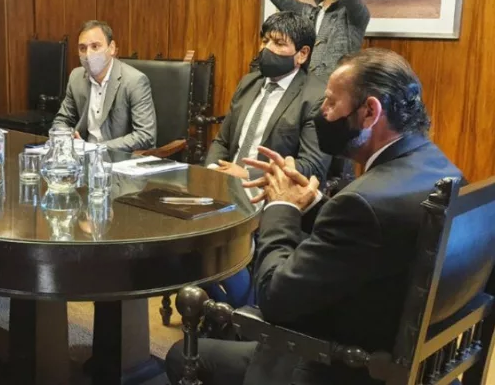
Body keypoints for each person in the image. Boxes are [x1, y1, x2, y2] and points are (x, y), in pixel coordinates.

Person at [166, 48, 462, 385]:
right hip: (411, 359)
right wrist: (312, 203)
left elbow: (273, 297)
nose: (323, 112)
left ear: (370, 111)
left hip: (335, 364)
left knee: (180, 354)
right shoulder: (443, 171)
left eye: (332, 103)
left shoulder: (362, 203)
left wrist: (281, 207)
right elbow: (370, 241)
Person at [201, 11, 331, 306]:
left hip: (268, 195)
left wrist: (248, 175)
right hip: (223, 187)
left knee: (213, 250)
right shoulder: (250, 83)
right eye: (265, 41)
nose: (267, 49)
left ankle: (245, 311)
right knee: (184, 242)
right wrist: (213, 170)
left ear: (302, 54)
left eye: (278, 43)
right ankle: (217, 309)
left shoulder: (315, 96)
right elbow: (222, 141)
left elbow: (311, 167)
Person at [53, 20, 156, 152]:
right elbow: (62, 120)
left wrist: (96, 148)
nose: (88, 54)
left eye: (95, 46)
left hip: (119, 157)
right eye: (83, 48)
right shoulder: (76, 77)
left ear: (111, 48)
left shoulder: (134, 81)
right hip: (83, 156)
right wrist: (66, 136)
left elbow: (145, 136)